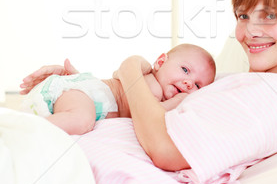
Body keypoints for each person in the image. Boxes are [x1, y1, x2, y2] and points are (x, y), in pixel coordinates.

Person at [20, 0, 277, 176]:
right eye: (243, 16)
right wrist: (83, 85)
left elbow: (166, 150)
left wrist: (128, 71)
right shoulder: (239, 82)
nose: (249, 31)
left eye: (270, 16)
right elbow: (144, 103)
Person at [20, 43, 216, 135]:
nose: (189, 83)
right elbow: (155, 115)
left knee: (79, 117)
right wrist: (178, 101)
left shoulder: (144, 80)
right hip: (84, 93)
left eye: (198, 85)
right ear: (161, 62)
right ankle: (22, 131)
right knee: (81, 120)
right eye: (185, 70)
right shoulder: (152, 86)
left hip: (86, 94)